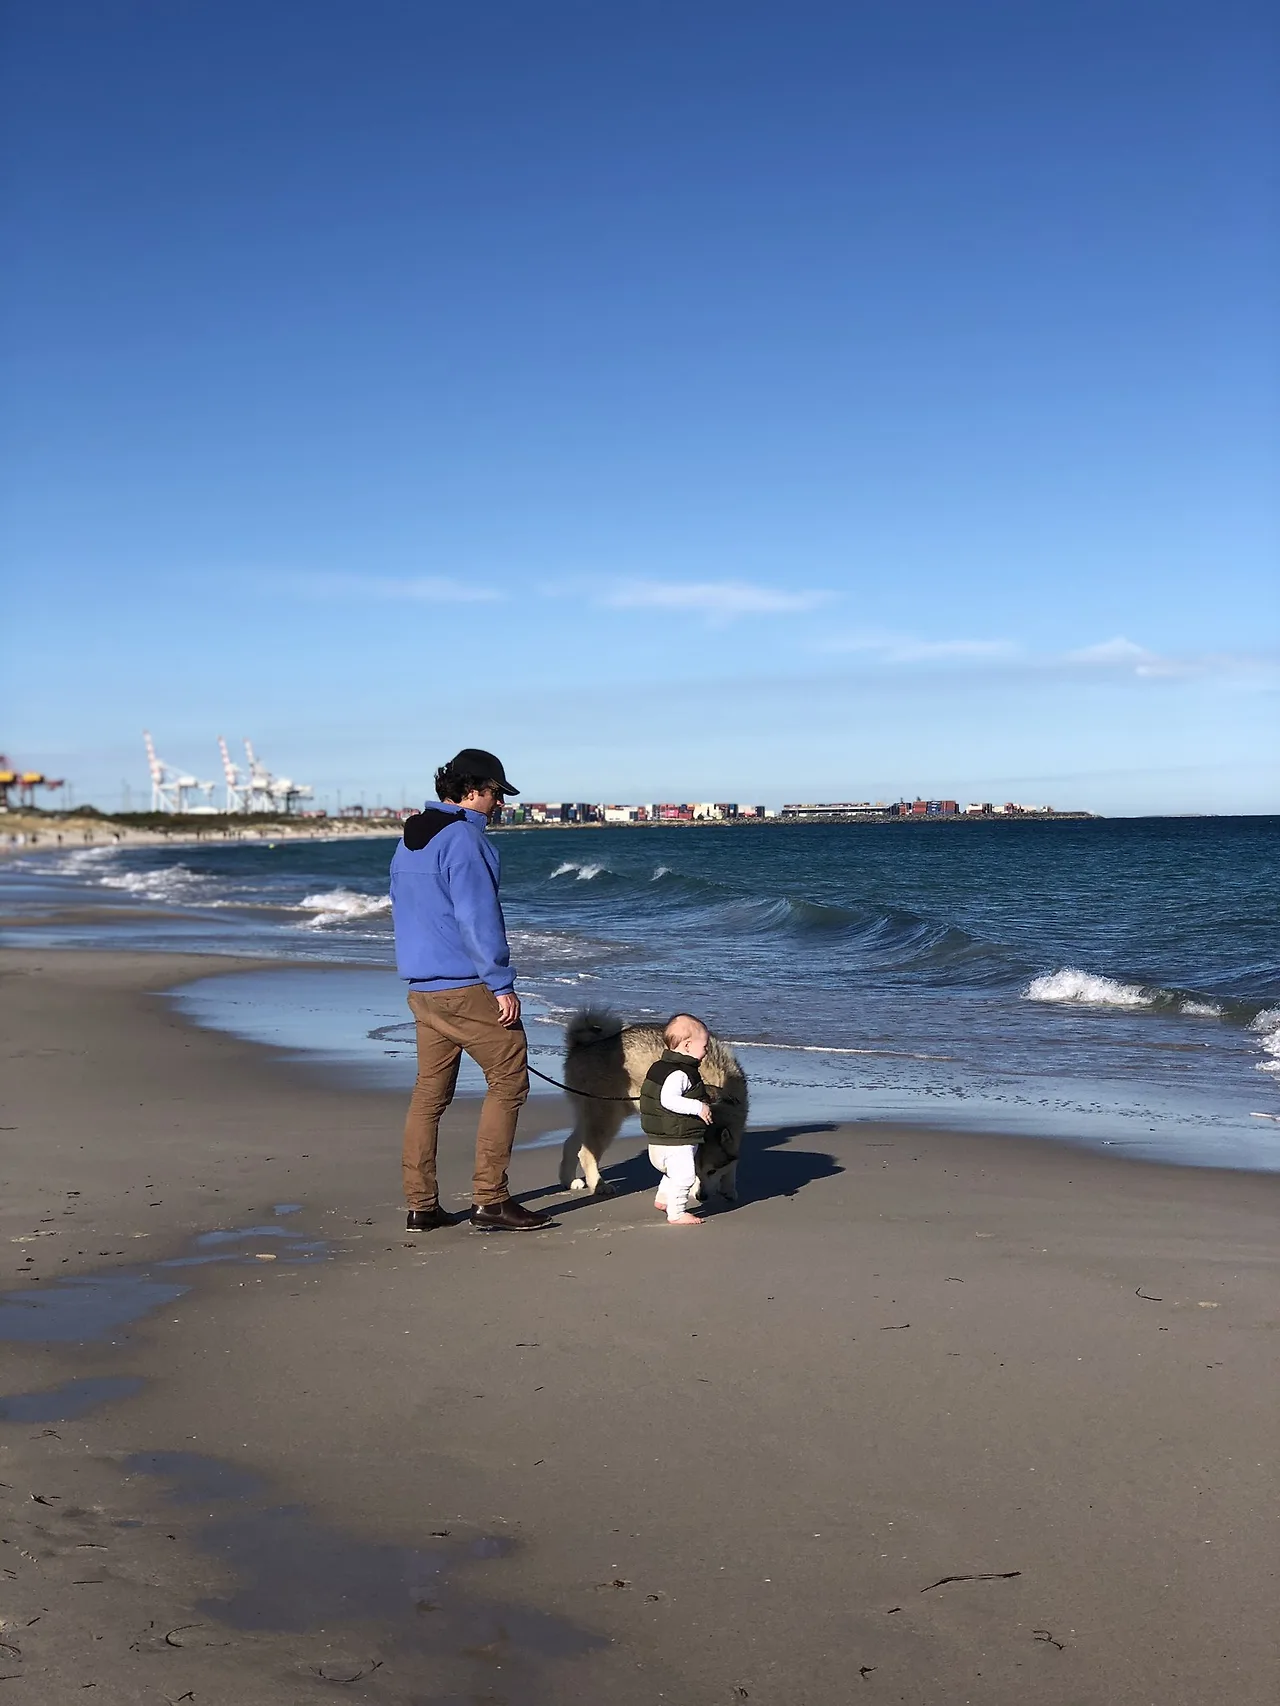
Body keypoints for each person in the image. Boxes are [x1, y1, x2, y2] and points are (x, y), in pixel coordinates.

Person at [390, 748, 551, 1233]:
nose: (501, 803)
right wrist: (501, 984)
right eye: (496, 793)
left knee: (429, 1096)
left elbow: (402, 906)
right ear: (472, 790)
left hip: (423, 989)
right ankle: (491, 1200)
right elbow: (478, 918)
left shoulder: (409, 839)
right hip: (465, 987)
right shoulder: (463, 839)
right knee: (510, 1081)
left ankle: (421, 1206)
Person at [638, 1013, 718, 1227]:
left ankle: (663, 1199)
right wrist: (699, 1107)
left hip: (659, 1140)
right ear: (688, 1045)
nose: (707, 1051)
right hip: (675, 1141)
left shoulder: (660, 1067)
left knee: (673, 1173)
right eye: (705, 1046)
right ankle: (677, 1213)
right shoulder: (681, 1073)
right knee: (685, 1177)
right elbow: (669, 1100)